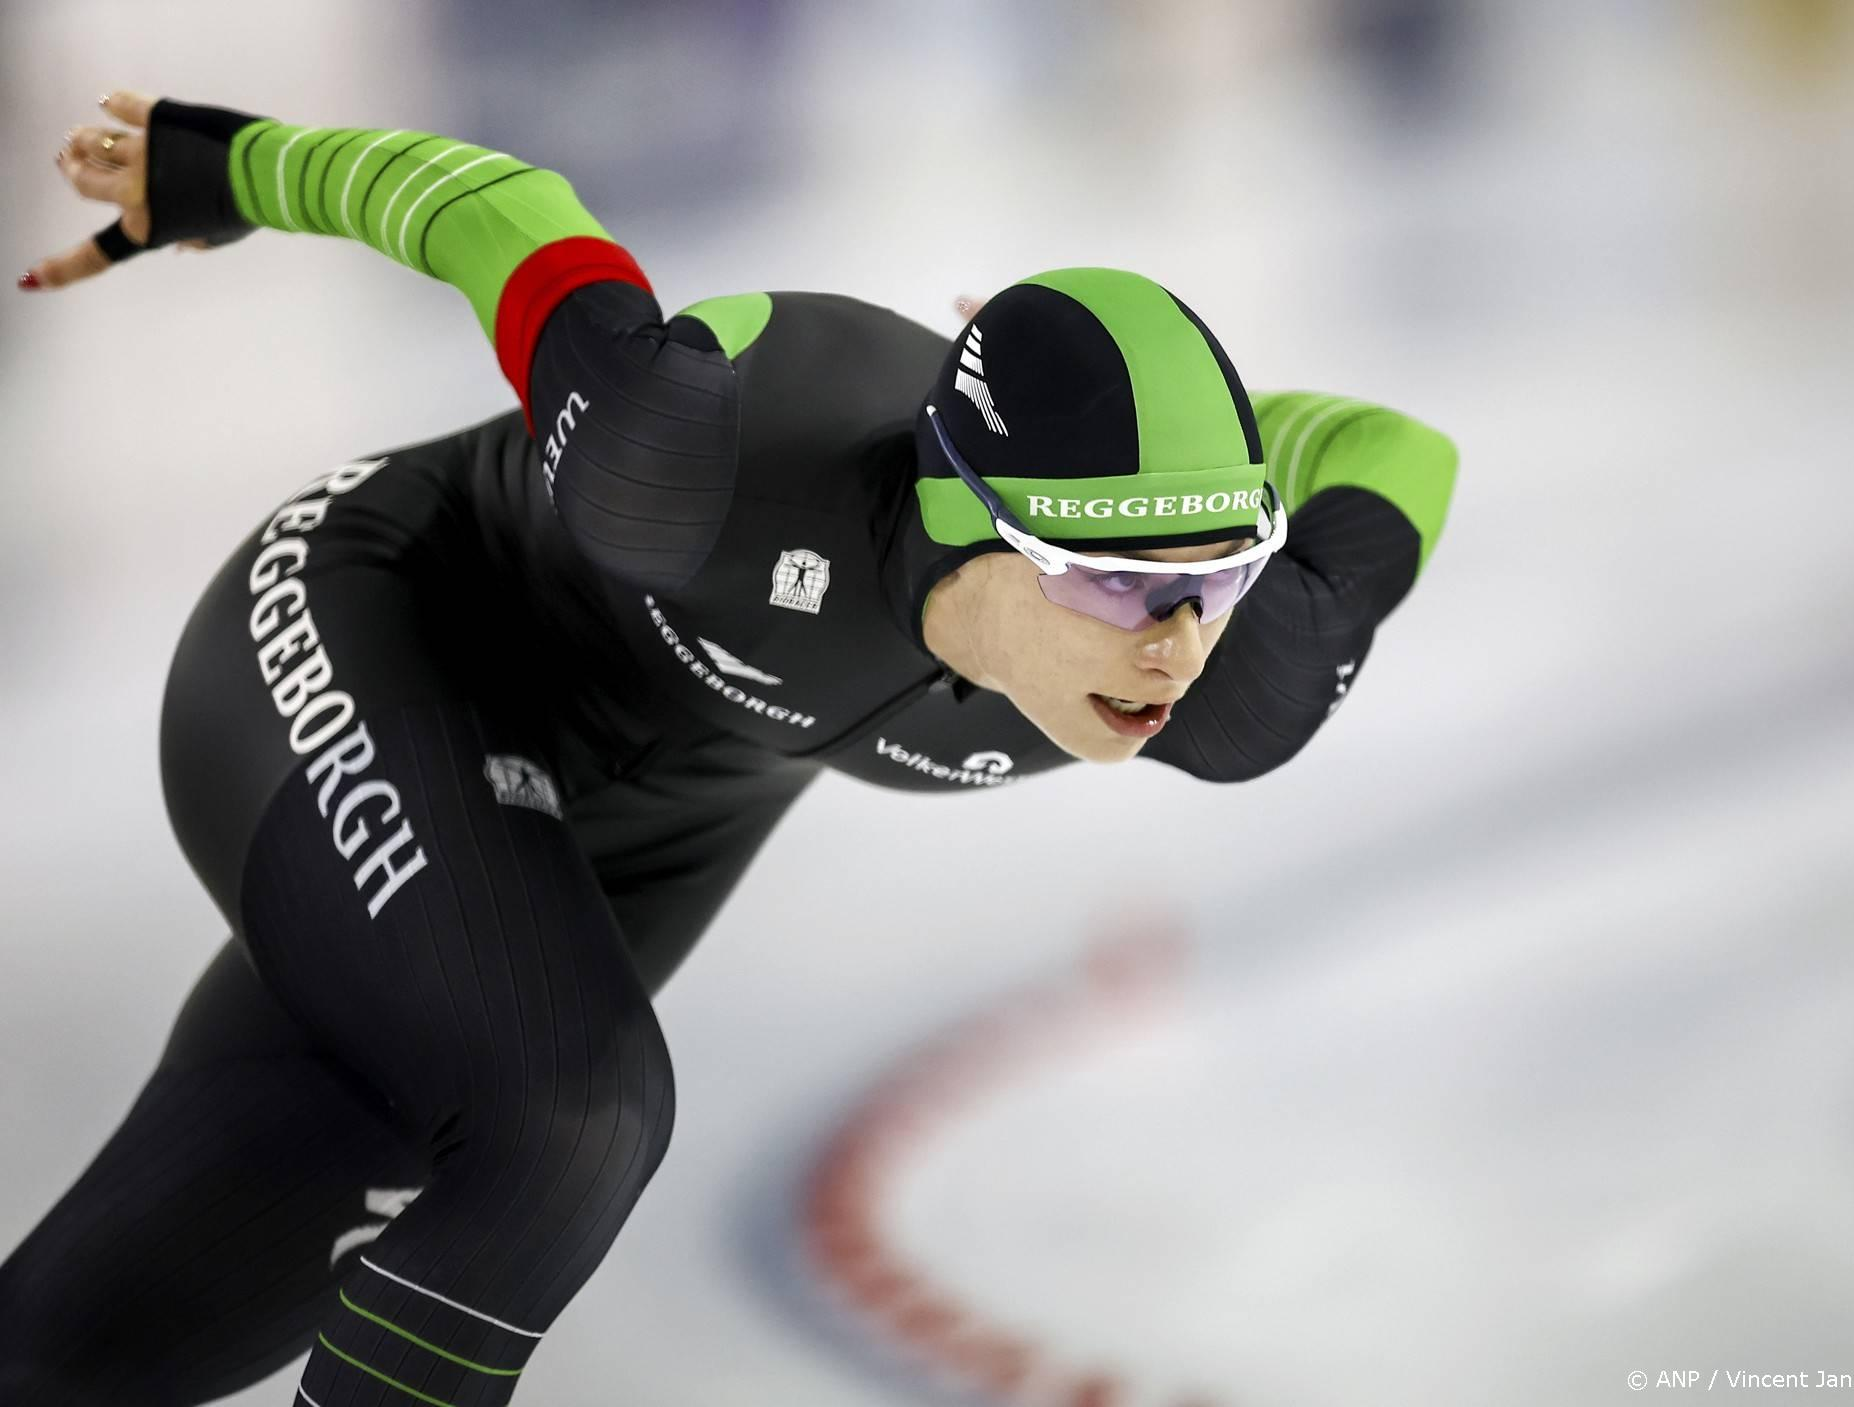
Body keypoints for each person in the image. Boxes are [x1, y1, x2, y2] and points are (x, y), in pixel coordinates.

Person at [2, 92, 1458, 1406]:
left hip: (644, 819)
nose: (1175, 644)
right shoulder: (695, 462)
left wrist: (1198, 457)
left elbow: (1403, 450)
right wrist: (222, 165)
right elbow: (497, 213)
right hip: (394, 621)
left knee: (91, 1351)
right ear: (969, 511)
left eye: (1215, 574)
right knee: (568, 1114)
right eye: (1117, 578)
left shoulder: (1223, 680)